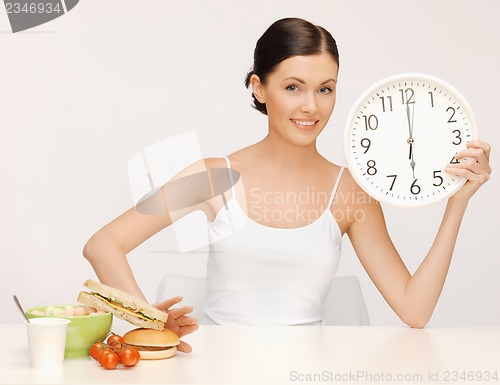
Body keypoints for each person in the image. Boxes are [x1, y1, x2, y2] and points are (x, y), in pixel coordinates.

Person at [83, 18, 492, 352]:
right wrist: (150, 322)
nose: (311, 106)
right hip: (215, 371)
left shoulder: (350, 191)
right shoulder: (214, 177)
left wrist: (456, 203)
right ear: (259, 88)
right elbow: (103, 244)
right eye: (293, 87)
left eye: (325, 89)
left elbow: (414, 310)